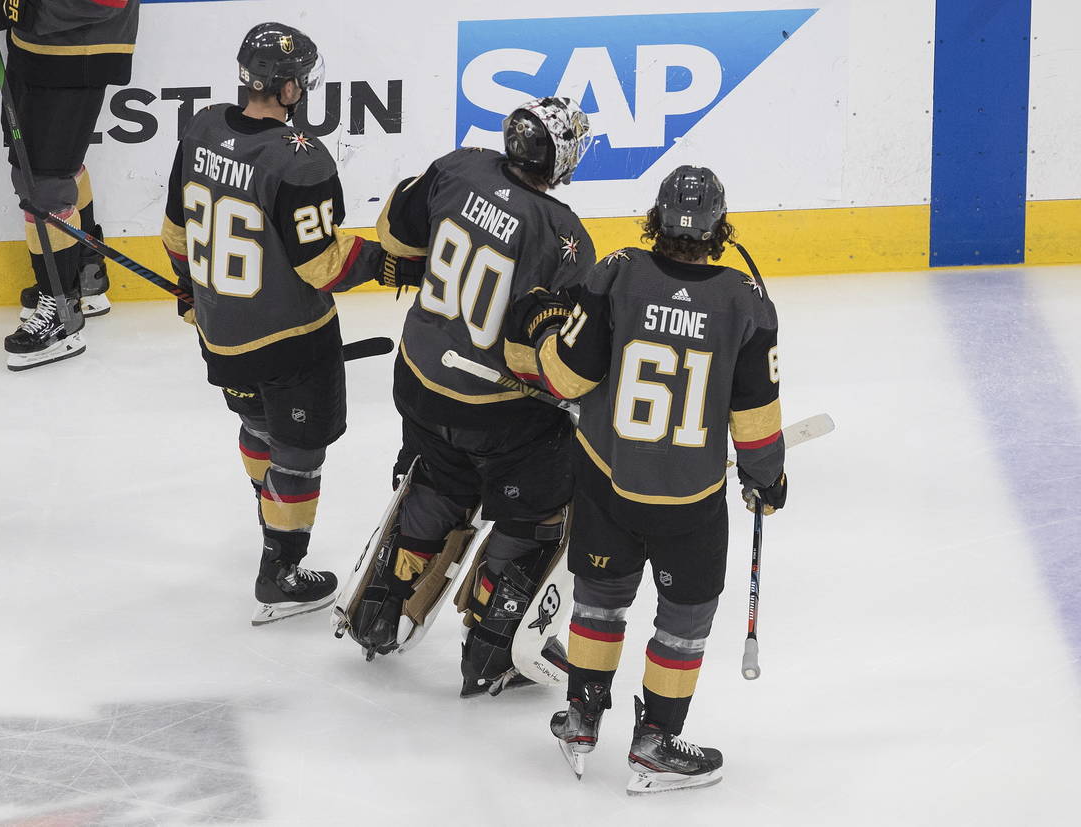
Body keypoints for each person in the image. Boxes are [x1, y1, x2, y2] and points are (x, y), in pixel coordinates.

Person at [505, 166, 787, 792]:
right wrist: (767, 479)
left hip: (608, 480)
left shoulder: (616, 273)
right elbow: (756, 420)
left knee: (600, 601)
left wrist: (543, 334)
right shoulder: (747, 302)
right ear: (719, 228)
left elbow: (570, 380)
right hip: (690, 499)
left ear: (656, 219)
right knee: (683, 621)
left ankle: (580, 716)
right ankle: (656, 744)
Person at [160, 23, 422, 624]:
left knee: (256, 422)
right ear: (287, 87)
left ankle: (270, 511)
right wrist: (387, 263)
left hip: (220, 332)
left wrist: (190, 288)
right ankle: (280, 569)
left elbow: (175, 233)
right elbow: (323, 264)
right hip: (291, 342)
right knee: (299, 451)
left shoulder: (201, 127)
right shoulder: (298, 158)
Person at [349, 97, 596, 696]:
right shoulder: (565, 236)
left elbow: (395, 235)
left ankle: (385, 599)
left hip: (418, 381)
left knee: (440, 476)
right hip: (496, 412)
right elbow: (547, 361)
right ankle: (492, 644)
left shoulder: (460, 166)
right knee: (536, 505)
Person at [0, 0, 140, 370]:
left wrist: (14, 8)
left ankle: (62, 312)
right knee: (53, 167)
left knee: (42, 183)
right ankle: (84, 277)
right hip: (34, 46)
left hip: (78, 49)